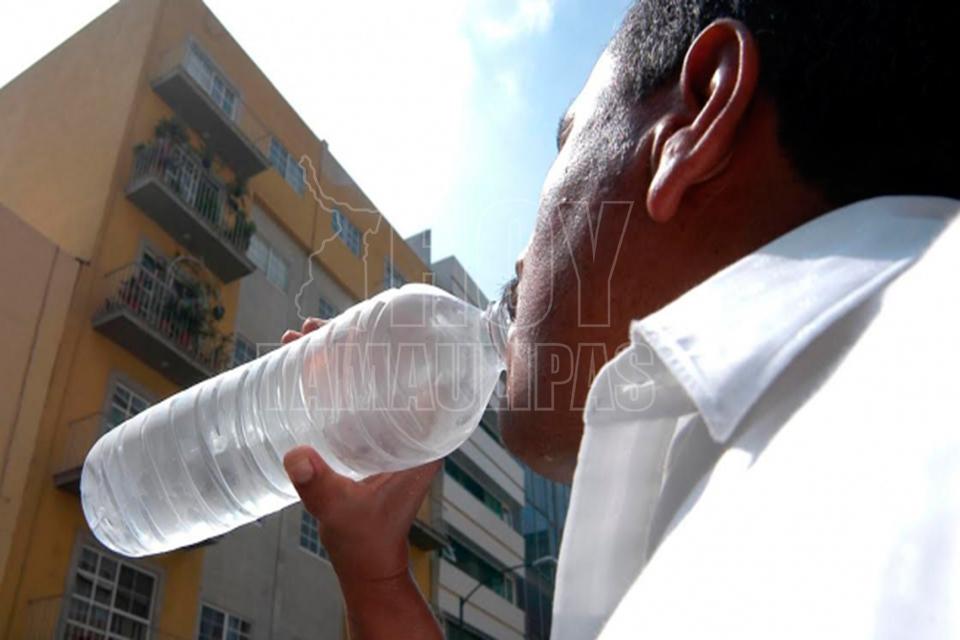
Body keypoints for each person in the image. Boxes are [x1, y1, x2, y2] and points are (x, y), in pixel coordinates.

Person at [280, 1, 960, 638]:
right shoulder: (753, 491)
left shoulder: (901, 434)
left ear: (691, 124)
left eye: (566, 141)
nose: (519, 258)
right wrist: (374, 574)